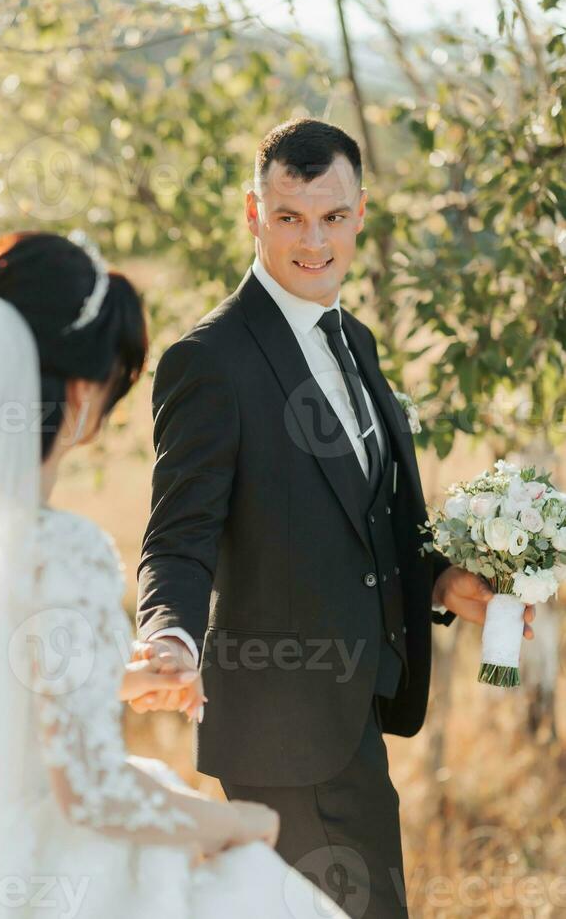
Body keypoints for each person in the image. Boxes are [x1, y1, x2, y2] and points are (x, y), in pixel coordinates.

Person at [134, 118, 536, 917]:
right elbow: (177, 536)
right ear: (254, 215)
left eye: (332, 216)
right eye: (288, 217)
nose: (312, 240)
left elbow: (357, 517)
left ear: (361, 215)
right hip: (281, 734)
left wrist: (440, 580)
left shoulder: (354, 338)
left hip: (350, 718)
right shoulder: (210, 361)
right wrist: (169, 635)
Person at [0, 231, 348, 919]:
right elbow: (89, 793)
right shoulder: (61, 546)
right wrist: (239, 826)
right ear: (85, 392)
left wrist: (114, 675)